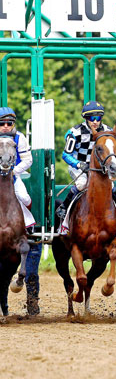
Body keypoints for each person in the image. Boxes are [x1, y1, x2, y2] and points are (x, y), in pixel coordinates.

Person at [0, 107, 41, 316]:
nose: (6, 126)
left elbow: (28, 160)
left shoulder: (20, 137)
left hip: (12, 177)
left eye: (9, 123)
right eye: (3, 123)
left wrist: (13, 172)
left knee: (24, 198)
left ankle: (27, 228)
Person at [56, 101, 114, 218]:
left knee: (111, 186)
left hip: (98, 168)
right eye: (92, 118)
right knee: (82, 184)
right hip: (78, 167)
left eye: (98, 118)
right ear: (86, 118)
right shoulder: (75, 132)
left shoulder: (107, 131)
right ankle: (64, 207)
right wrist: (79, 165)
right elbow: (65, 155)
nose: (95, 122)